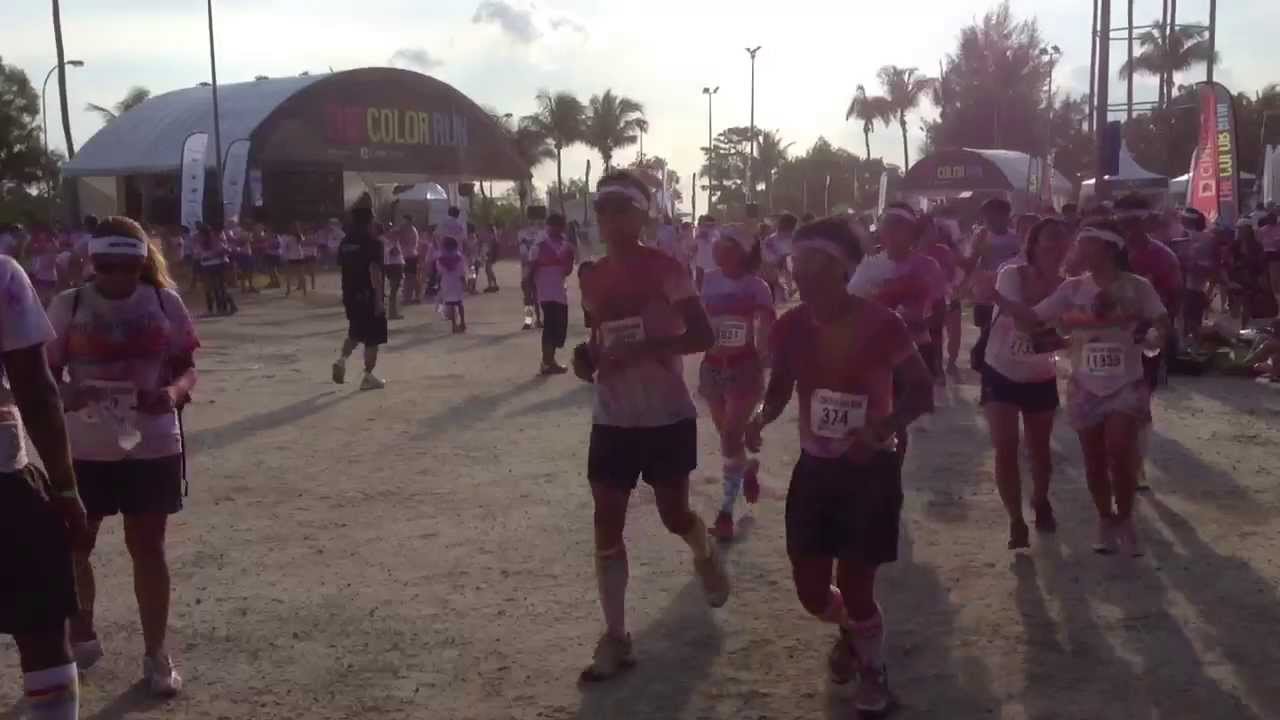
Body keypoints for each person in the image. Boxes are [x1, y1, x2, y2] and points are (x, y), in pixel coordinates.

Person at [745, 217, 933, 716]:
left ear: (841, 269)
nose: (798, 272)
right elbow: (781, 386)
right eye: (795, 262)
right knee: (811, 592)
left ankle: (874, 673)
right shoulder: (789, 326)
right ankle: (851, 631)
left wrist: (881, 428)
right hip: (816, 469)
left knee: (856, 585)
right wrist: (761, 416)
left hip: (870, 470)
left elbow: (922, 389)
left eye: (811, 262)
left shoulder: (881, 324)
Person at [571, 170, 728, 682]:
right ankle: (616, 637)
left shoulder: (667, 268)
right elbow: (594, 341)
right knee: (605, 519)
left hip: (665, 413)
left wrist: (649, 348)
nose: (612, 219)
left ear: (642, 215)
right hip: (613, 414)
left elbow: (702, 333)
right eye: (604, 210)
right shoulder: (590, 274)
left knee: (673, 514)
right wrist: (587, 359)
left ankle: (702, 547)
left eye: (622, 209)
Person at [44, 217, 199, 698]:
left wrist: (170, 395)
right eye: (106, 267)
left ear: (140, 264)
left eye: (126, 267)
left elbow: (187, 368)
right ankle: (83, 631)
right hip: (85, 447)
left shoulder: (162, 302)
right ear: (93, 262)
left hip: (150, 441)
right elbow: (43, 378)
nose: (115, 277)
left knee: (148, 548)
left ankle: (156, 655)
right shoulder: (68, 305)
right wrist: (72, 391)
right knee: (76, 545)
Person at [976, 218, 1170, 556]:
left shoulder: (1138, 287)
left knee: (1119, 448)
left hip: (1126, 381)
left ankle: (1125, 518)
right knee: (1094, 460)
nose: (1073, 249)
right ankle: (1105, 519)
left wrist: (1154, 336)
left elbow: (1162, 322)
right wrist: (995, 296)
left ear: (1107, 248)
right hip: (1084, 384)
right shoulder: (1072, 289)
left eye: (1082, 243)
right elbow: (1034, 318)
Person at [1, 252, 88, 720]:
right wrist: (66, 487)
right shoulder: (2, 275)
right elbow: (35, 388)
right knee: (42, 634)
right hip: (3, 485)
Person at [978, 218, 1070, 549]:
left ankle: (1041, 499)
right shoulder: (1011, 274)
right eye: (1050, 240)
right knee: (1005, 446)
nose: (1056, 246)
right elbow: (1021, 321)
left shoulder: (1069, 286)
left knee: (1040, 450)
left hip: (1040, 374)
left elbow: (1061, 334)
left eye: (1062, 240)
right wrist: (1050, 329)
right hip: (1000, 369)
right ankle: (1015, 520)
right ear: (1034, 244)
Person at [847, 203, 945, 459]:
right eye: (887, 230)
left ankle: (893, 461)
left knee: (900, 414)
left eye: (899, 230)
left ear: (912, 234)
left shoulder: (927, 266)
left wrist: (921, 322)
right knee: (875, 408)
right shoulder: (869, 266)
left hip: (913, 350)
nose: (891, 236)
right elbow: (851, 303)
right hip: (874, 351)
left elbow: (938, 307)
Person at [698, 224, 775, 540]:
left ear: (740, 251)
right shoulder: (710, 281)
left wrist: (760, 360)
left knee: (730, 438)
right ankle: (747, 469)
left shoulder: (757, 286)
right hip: (713, 367)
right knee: (728, 439)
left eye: (724, 243)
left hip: (743, 367)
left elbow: (766, 327)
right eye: (716, 242)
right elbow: (700, 320)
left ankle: (726, 512)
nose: (716, 247)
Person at [333, 207, 387, 390]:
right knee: (373, 338)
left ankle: (341, 360)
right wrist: (379, 299)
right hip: (368, 294)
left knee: (355, 331)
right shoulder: (373, 242)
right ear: (370, 220)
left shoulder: (345, 242)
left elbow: (342, 267)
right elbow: (375, 272)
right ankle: (368, 376)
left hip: (350, 293)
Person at [966, 198, 1022, 330]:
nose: (989, 219)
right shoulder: (980, 235)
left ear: (1005, 216)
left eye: (995, 215)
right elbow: (972, 261)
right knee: (986, 330)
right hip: (986, 291)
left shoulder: (1015, 238)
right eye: (986, 216)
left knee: (1006, 328)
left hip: (1008, 289)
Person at [531, 213, 576, 374]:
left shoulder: (565, 246)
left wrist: (568, 259)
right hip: (545, 291)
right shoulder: (539, 244)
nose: (557, 229)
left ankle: (550, 360)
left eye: (560, 226)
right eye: (554, 226)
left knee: (559, 327)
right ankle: (547, 363)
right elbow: (531, 267)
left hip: (559, 292)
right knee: (550, 326)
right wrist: (529, 290)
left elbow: (568, 270)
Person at [195, 225, 236, 316]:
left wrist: (214, 254)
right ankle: (214, 309)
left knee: (219, 288)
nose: (199, 236)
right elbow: (198, 254)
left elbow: (225, 250)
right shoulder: (200, 242)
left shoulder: (215, 240)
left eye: (200, 234)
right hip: (206, 266)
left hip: (217, 265)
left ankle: (223, 308)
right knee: (211, 288)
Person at [517, 211, 544, 330]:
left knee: (529, 298)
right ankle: (536, 320)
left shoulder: (523, 235)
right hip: (534, 271)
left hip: (530, 271)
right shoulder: (541, 235)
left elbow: (522, 255)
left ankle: (530, 321)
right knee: (534, 297)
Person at [763, 213, 798, 302]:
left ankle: (788, 289)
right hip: (779, 258)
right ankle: (787, 290)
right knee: (785, 272)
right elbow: (767, 247)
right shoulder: (774, 237)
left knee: (786, 271)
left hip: (783, 257)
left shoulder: (792, 235)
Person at [436, 236, 468, 333]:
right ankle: (462, 322)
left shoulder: (441, 258)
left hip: (446, 282)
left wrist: (438, 284)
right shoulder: (459, 257)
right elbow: (462, 272)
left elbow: (440, 272)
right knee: (459, 303)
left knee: (451, 305)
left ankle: (454, 325)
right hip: (457, 282)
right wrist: (465, 283)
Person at [380, 223, 405, 320]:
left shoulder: (388, 241)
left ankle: (392, 312)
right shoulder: (388, 242)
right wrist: (394, 243)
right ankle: (392, 313)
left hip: (393, 265)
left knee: (394, 289)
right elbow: (394, 252)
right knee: (394, 290)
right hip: (394, 266)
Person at [693, 215, 719, 292]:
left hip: (709, 267)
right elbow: (695, 247)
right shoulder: (700, 233)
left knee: (707, 289)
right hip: (702, 265)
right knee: (701, 288)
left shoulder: (715, 234)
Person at [282, 222, 308, 298]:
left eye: (295, 227)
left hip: (298, 257)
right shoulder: (289, 237)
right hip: (293, 257)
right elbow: (286, 247)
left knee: (300, 274)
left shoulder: (299, 236)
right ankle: (289, 290)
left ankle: (304, 291)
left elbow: (302, 242)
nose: (293, 229)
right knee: (291, 275)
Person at [400, 216, 421, 304]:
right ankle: (415, 296)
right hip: (408, 255)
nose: (403, 223)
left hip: (410, 256)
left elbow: (404, 241)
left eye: (405, 221)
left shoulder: (411, 230)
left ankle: (408, 298)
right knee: (411, 277)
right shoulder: (410, 230)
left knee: (410, 277)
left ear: (409, 221)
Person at [483, 224, 500, 293]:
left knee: (488, 270)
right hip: (492, 255)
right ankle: (493, 285)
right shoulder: (494, 237)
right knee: (488, 270)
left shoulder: (492, 237)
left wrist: (488, 254)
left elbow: (491, 248)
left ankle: (492, 285)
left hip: (490, 255)